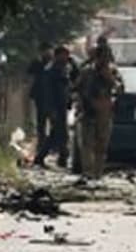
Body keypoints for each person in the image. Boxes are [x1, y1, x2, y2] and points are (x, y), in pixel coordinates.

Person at [75, 43, 122, 180]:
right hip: (88, 110)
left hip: (105, 112)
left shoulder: (113, 72)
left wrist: (110, 78)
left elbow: (120, 89)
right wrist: (83, 104)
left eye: (107, 57)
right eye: (102, 57)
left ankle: (98, 172)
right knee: (86, 143)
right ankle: (88, 172)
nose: (105, 60)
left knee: (102, 144)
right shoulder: (87, 72)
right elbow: (77, 88)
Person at [34, 46, 73, 168]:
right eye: (64, 55)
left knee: (59, 133)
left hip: (61, 105)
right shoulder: (51, 70)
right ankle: (46, 157)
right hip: (55, 106)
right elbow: (48, 92)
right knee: (58, 133)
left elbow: (66, 87)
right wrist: (51, 109)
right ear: (58, 55)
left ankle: (60, 158)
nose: (67, 58)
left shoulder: (62, 68)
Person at [27, 42, 53, 158]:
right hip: (40, 96)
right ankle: (41, 144)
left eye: (48, 50)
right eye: (44, 51)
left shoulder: (54, 63)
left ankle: (51, 145)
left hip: (52, 97)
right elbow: (30, 73)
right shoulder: (37, 63)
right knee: (41, 122)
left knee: (54, 122)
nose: (46, 53)